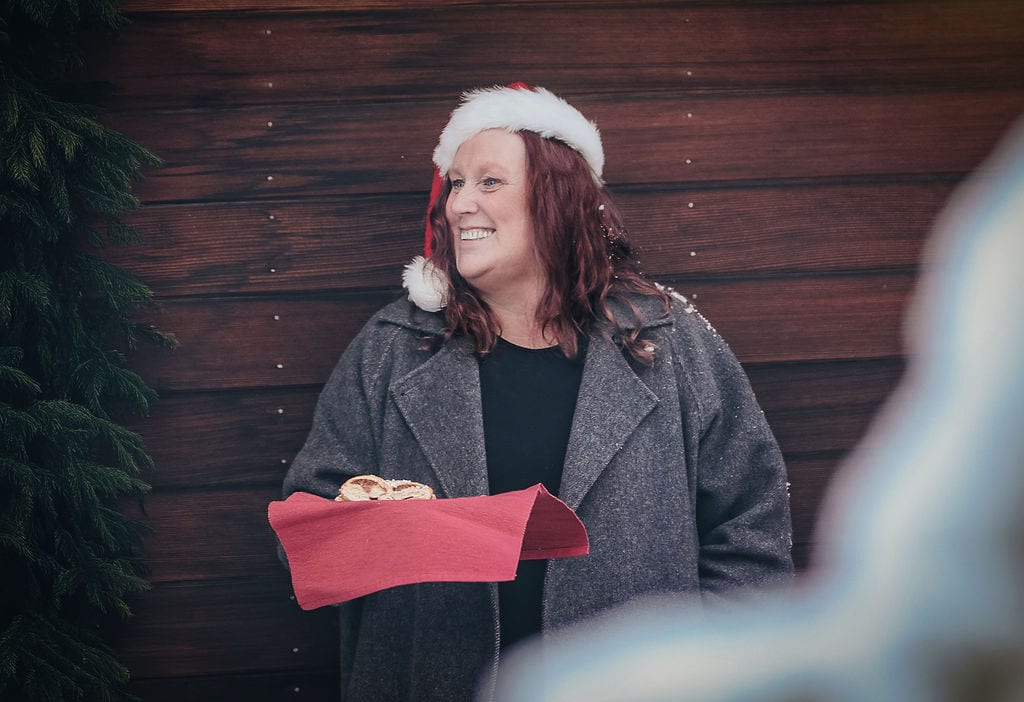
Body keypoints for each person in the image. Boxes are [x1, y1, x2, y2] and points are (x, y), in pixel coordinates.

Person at [280, 83, 794, 701]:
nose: (459, 204)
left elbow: (750, 529)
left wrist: (712, 672)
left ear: (559, 199)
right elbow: (309, 525)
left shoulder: (674, 343)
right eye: (456, 184)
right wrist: (396, 534)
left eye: (489, 182)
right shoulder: (392, 346)